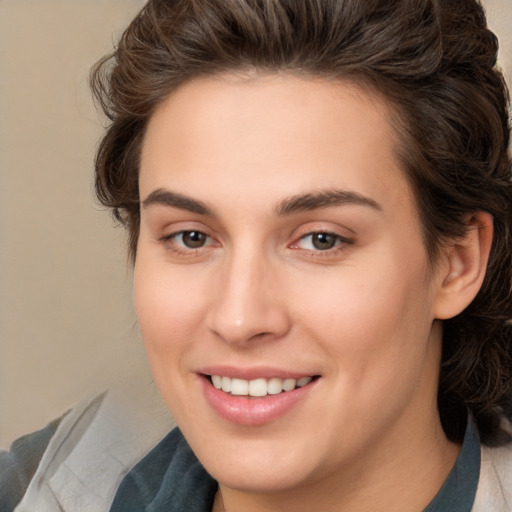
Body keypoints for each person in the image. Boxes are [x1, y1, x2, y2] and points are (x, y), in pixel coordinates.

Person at [3, 0, 512, 510]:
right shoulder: (48, 479)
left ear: (456, 262)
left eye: (321, 239)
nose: (240, 318)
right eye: (192, 237)